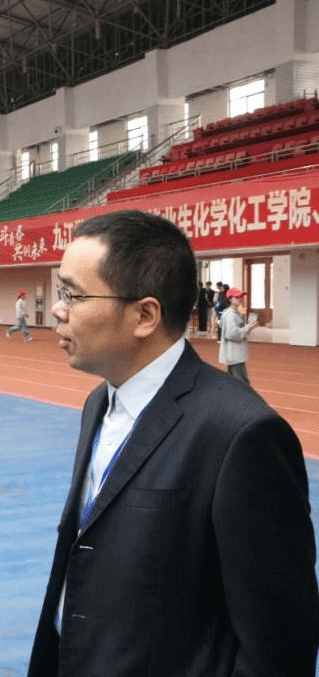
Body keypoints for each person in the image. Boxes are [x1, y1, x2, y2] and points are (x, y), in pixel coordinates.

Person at [28, 209, 319, 677]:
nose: (59, 310)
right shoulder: (99, 403)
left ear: (145, 315)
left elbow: (278, 642)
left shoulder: (240, 434)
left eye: (73, 295)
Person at [218, 286, 258, 385]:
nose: (240, 299)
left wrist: (247, 327)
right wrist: (248, 328)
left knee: (234, 381)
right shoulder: (231, 315)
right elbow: (232, 333)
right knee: (241, 382)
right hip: (234, 354)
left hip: (234, 354)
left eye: (241, 297)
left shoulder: (233, 313)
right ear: (230, 299)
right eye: (237, 297)